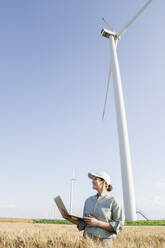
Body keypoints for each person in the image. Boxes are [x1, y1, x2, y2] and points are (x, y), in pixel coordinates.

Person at [61, 171, 125, 247]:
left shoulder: (114, 201)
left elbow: (119, 226)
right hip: (86, 241)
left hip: (103, 243)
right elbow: (84, 224)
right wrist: (67, 217)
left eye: (95, 179)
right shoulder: (88, 201)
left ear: (103, 182)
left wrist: (97, 223)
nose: (92, 181)